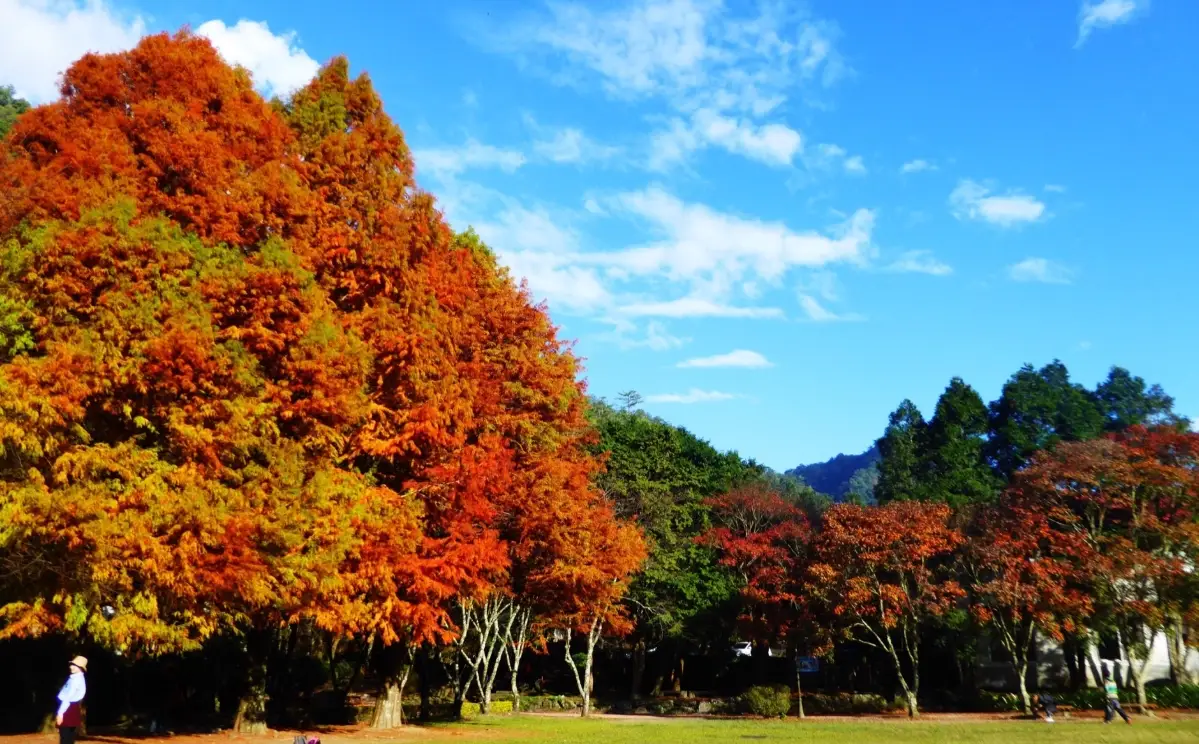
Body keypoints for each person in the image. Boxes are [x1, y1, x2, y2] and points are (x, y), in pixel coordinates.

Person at [56, 656, 88, 744]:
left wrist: (60, 714)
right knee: (69, 738)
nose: (71, 667)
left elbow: (68, 698)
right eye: (72, 665)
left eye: (75, 665)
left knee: (65, 738)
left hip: (68, 708)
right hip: (72, 708)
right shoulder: (77, 678)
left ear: (80, 667)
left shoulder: (75, 680)